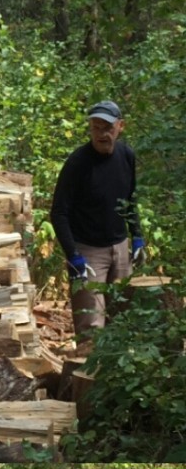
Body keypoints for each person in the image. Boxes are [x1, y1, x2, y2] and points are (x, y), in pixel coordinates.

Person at [49, 100, 144, 346]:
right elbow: (59, 212)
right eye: (96, 127)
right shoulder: (78, 163)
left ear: (120, 126)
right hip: (89, 252)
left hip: (120, 248)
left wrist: (137, 236)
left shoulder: (126, 155)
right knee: (91, 327)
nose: (102, 134)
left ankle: (117, 383)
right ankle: (85, 383)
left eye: (107, 128)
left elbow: (130, 198)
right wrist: (74, 255)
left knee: (123, 319)